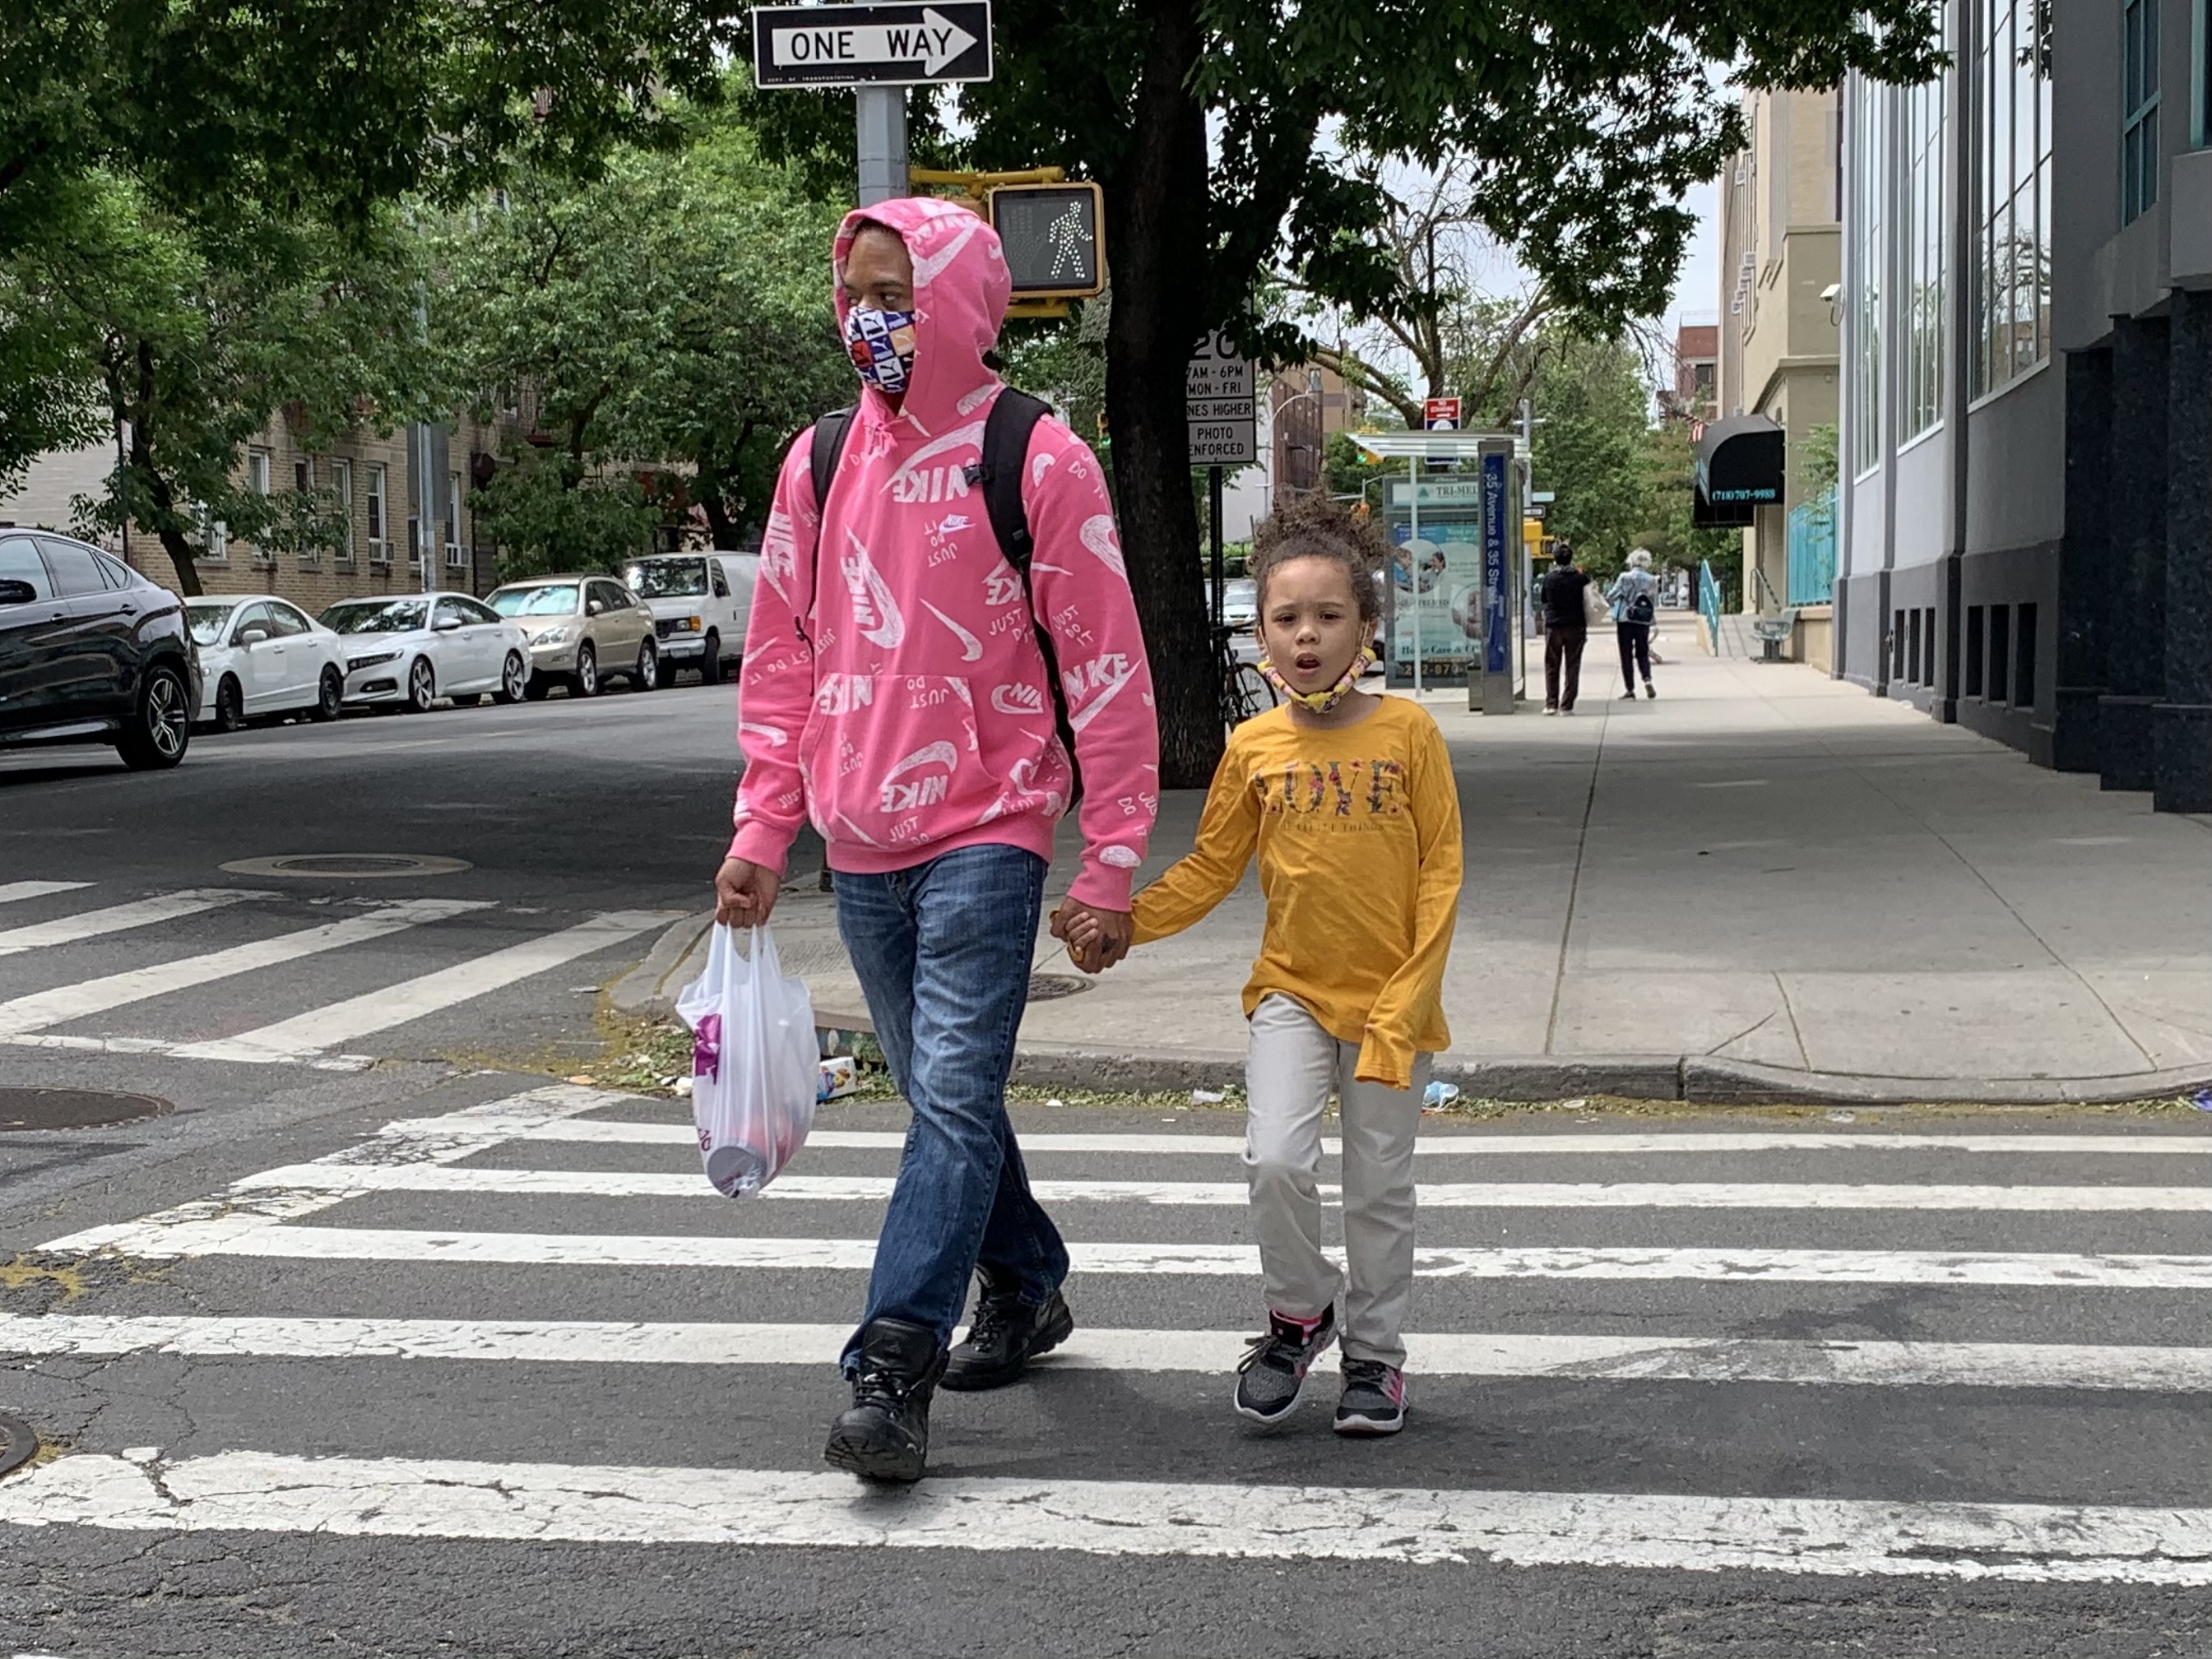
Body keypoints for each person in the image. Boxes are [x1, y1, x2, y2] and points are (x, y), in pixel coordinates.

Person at [715, 197, 1161, 1484]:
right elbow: (784, 658)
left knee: (953, 1094)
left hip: (990, 823)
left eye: (898, 294)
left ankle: (891, 1364)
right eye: (856, 293)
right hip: (859, 838)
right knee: (940, 1098)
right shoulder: (815, 463)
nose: (874, 318)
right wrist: (764, 824)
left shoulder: (1038, 456)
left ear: (961, 301)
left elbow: (1108, 669)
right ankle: (1027, 1281)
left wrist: (1113, 853)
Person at [1061, 497, 1462, 1437]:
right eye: (1287, 619)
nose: (1308, 635)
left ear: (1366, 626)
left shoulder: (1409, 735)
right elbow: (1209, 868)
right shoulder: (1253, 746)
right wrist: (1124, 918)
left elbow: (1441, 871)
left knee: (1377, 1190)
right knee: (1275, 1158)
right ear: (1262, 635)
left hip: (1393, 1006)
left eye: (1328, 616)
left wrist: (1408, 999)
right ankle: (1297, 1313)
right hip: (1291, 992)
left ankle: (1374, 1358)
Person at [1536, 540, 1592, 715]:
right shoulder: (1581, 578)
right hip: (1576, 625)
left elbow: (1544, 599)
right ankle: (1566, 705)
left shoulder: (1549, 578)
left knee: (1552, 665)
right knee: (1572, 665)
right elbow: (1589, 599)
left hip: (1554, 625)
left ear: (1555, 559)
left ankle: (1551, 703)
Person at [1607, 549, 1659, 700]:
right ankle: (1647, 679)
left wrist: (1608, 601)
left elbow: (1612, 595)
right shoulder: (1652, 580)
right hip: (1643, 620)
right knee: (1643, 651)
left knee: (1626, 653)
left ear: (1631, 562)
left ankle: (1630, 689)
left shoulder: (1625, 577)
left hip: (1625, 618)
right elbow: (1654, 602)